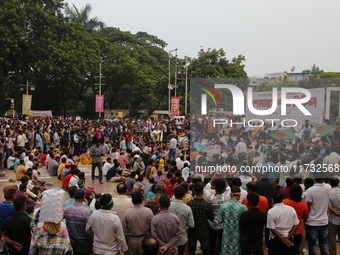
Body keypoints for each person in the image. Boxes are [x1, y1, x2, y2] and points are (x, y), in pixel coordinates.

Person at [305, 174, 331, 255]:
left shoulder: (310, 190)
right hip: (324, 221)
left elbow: (308, 206)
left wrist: (305, 219)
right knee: (323, 243)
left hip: (312, 221)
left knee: (312, 244)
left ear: (314, 178)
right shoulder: (328, 187)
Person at [217, 186, 248, 255]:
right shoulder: (243, 207)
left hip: (226, 234)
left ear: (230, 194)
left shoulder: (223, 206)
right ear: (239, 195)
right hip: (238, 234)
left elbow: (219, 220)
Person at [267, 191, 299, 255]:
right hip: (289, 238)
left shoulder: (271, 211)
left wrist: (283, 240)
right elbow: (296, 225)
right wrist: (287, 239)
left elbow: (272, 229)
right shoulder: (291, 209)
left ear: (272, 199)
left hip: (276, 240)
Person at [203, 177, 230, 255]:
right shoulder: (226, 197)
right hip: (223, 225)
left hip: (212, 224)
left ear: (214, 187)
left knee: (212, 243)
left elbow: (205, 189)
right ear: (224, 187)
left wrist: (211, 180)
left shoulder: (210, 198)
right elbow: (229, 189)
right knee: (222, 244)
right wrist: (225, 181)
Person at [187, 182, 214, 255]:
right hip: (204, 231)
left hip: (192, 230)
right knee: (206, 251)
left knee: (191, 251)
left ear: (194, 192)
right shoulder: (207, 205)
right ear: (202, 192)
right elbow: (211, 218)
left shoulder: (189, 204)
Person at [64, 189, 92, 255]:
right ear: (83, 198)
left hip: (71, 241)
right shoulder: (86, 212)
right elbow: (88, 230)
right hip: (83, 243)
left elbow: (59, 223)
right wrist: (91, 243)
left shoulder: (66, 209)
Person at [283, 184, 308, 255]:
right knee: (296, 250)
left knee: (286, 251)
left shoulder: (284, 202)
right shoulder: (303, 205)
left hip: (286, 230)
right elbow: (305, 218)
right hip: (298, 230)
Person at [169, 186, 195, 255]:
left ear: (174, 194)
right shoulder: (187, 208)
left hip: (169, 238)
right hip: (181, 238)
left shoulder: (168, 206)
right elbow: (191, 225)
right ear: (184, 195)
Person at [327, 177, 340, 255]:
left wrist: (338, 214)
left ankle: (333, 253)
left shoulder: (329, 193)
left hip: (333, 219)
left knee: (332, 239)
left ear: (330, 183)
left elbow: (330, 207)